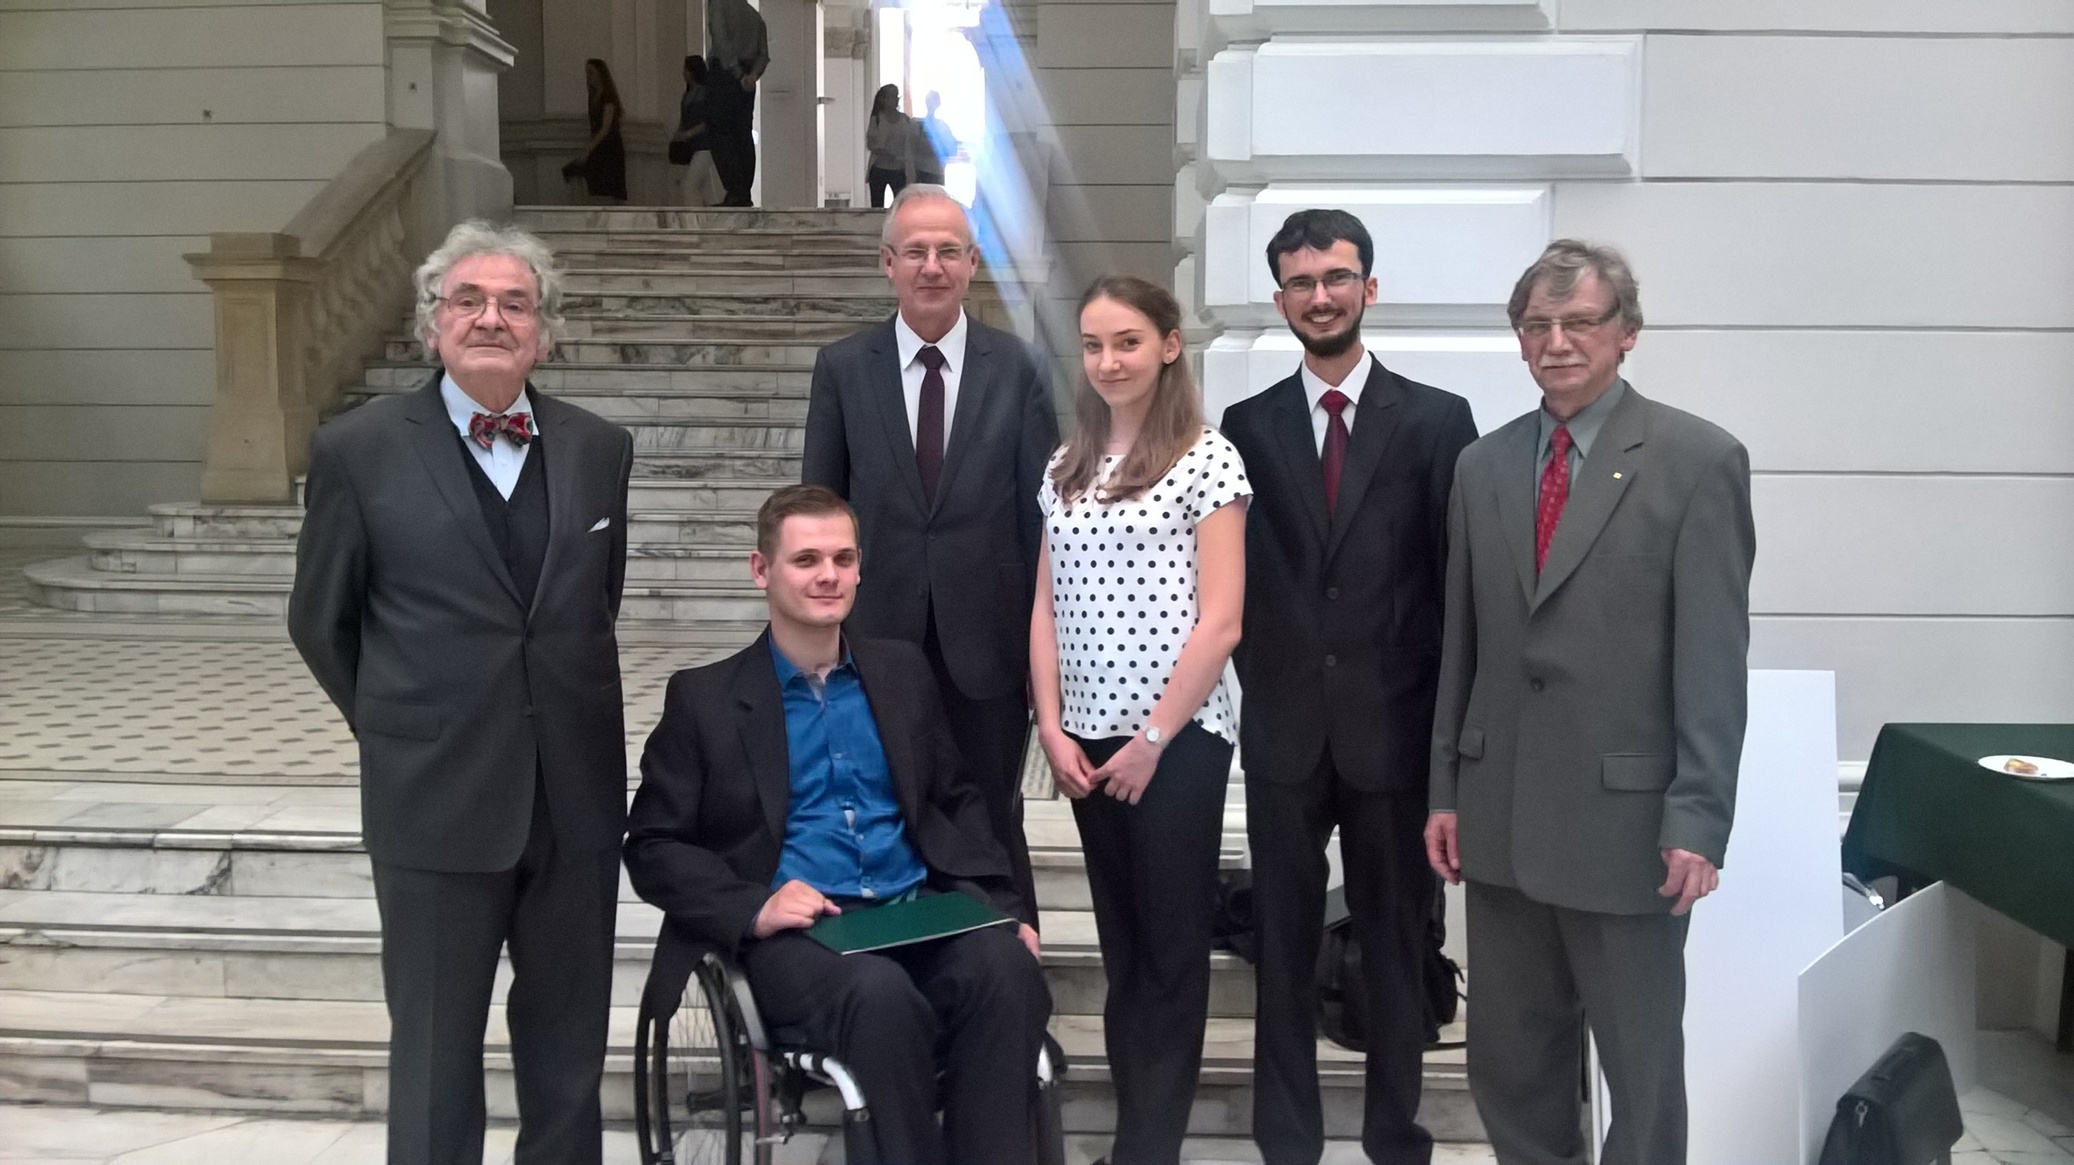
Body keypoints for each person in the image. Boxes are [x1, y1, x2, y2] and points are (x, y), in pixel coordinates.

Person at [288, 220, 635, 1165]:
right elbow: (321, 621)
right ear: (430, 325)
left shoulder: (600, 448)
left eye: (515, 304)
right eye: (468, 301)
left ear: (544, 333)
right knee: (436, 1055)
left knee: (569, 1055)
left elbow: (589, 608)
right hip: (434, 800)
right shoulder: (358, 450)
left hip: (574, 800)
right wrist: (407, 725)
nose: (491, 318)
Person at [1424, 240, 1755, 1165]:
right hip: (1501, 820)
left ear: (1627, 332)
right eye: (1538, 325)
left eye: (1579, 322)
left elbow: (1713, 661)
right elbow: (1463, 646)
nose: (1557, 342)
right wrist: (1446, 789)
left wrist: (1699, 816)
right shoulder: (1482, 467)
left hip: (1630, 831)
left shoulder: (1698, 460)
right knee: (1511, 1068)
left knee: (1641, 1074)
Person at [624, 484, 1051, 1165]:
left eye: (843, 559)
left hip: (914, 909)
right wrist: (755, 906)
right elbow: (653, 845)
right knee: (880, 999)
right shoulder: (704, 699)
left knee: (1006, 971)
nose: (828, 575)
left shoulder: (901, 672)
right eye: (807, 560)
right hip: (802, 936)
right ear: (761, 569)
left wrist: (1003, 908)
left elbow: (957, 801)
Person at [1220, 209, 1480, 1165]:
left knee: (1397, 949)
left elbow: (1457, 588)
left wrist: (1451, 745)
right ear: (1280, 298)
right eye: (1301, 282)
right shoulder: (1246, 427)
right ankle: (1286, 1143)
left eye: (1336, 278)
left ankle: (1395, 1139)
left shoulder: (1439, 420)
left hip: (1396, 735)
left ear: (1369, 287)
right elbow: (1236, 578)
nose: (1319, 296)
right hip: (1286, 731)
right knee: (1282, 950)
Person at [1032, 275, 1249, 1165]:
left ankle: (1147, 1150)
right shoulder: (1066, 464)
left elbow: (1222, 620)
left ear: (1168, 345)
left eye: (1126, 342)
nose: (1108, 360)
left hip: (1176, 742)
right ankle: (1136, 1136)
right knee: (1122, 949)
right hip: (1085, 740)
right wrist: (1050, 727)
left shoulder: (1207, 459)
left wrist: (1153, 740)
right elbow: (1045, 605)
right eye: (1093, 344)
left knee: (1169, 950)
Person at [802, 184, 1056, 929]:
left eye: (949, 250)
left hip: (988, 649)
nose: (932, 266)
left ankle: (1006, 965)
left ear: (973, 262)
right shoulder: (843, 368)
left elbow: (1040, 521)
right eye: (915, 251)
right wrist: (817, 638)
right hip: (876, 641)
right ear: (888, 263)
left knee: (991, 818)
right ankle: (901, 964)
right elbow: (819, 511)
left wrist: (1041, 654)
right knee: (883, 813)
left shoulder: (1020, 368)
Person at [705, 0, 768, 206]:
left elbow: (721, 42)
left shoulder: (719, 6)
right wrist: (752, 76)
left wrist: (737, 73)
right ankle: (743, 192)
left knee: (720, 133)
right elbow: (763, 55)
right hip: (748, 78)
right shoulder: (754, 15)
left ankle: (735, 190)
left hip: (724, 76)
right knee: (743, 134)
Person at [560, 58, 626, 203]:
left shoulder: (607, 97)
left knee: (610, 188)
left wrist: (588, 150)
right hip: (599, 145)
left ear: (600, 74)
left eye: (591, 73)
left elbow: (605, 128)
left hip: (610, 147)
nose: (588, 77)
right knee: (584, 176)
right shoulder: (593, 96)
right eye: (587, 73)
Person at [668, 55, 724, 208]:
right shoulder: (687, 94)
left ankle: (694, 217)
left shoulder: (706, 93)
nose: (683, 73)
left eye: (686, 69)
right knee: (705, 190)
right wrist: (679, 134)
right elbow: (684, 120)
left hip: (706, 145)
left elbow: (708, 120)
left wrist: (688, 134)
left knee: (689, 185)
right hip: (693, 146)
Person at [865, 84, 917, 209]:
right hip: (879, 169)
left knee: (901, 206)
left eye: (896, 96)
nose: (895, 100)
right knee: (877, 206)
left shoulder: (905, 120)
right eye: (891, 96)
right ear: (883, 99)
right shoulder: (877, 119)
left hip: (899, 169)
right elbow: (870, 144)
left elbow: (911, 143)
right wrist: (884, 152)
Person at [914, 90, 954, 186]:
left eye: (933, 101)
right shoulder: (918, 124)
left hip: (936, 171)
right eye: (929, 100)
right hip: (921, 170)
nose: (930, 104)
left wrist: (937, 151)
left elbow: (952, 149)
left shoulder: (942, 126)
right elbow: (912, 147)